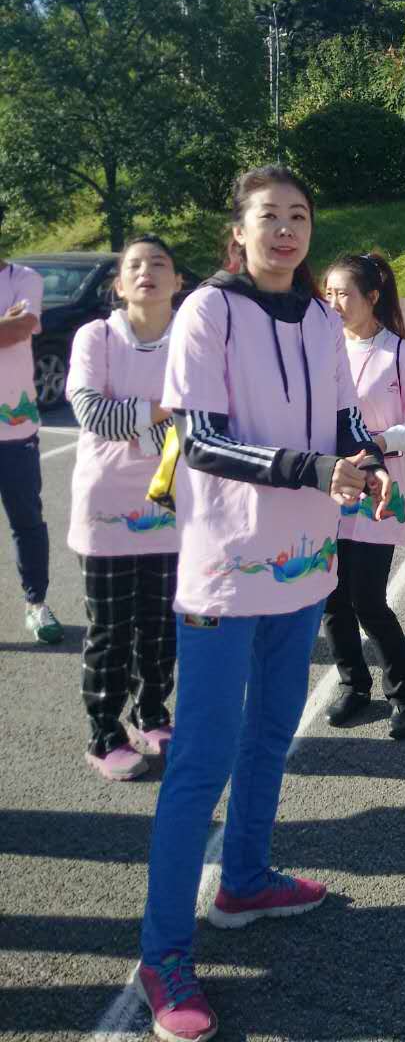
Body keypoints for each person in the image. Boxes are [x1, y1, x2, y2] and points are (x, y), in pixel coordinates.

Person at [134, 166, 391, 1042]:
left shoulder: (320, 315)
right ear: (239, 231)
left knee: (273, 732)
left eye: (299, 215)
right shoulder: (208, 311)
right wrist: (316, 471)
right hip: (225, 570)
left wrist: (370, 463)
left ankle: (243, 881)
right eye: (268, 216)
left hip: (304, 566)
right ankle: (164, 953)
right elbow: (200, 440)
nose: (285, 229)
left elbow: (346, 419)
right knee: (200, 763)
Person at [66, 234, 181, 781]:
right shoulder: (97, 337)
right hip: (106, 511)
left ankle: (151, 713)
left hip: (171, 508)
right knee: (110, 630)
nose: (146, 272)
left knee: (160, 628)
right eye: (134, 265)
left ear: (178, 281)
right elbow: (94, 414)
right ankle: (104, 734)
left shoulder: (191, 339)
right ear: (118, 284)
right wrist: (163, 412)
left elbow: (202, 417)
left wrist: (144, 422)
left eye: (158, 263)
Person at [322, 252, 405, 739]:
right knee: (332, 598)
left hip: (378, 490)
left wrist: (380, 441)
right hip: (328, 487)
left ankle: (403, 694)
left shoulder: (399, 355)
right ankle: (354, 684)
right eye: (328, 293)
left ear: (372, 297)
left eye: (343, 293)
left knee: (368, 600)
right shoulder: (321, 348)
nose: (333, 303)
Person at [0, 203, 59, 643]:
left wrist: (11, 323)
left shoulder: (24, 278)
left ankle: (36, 604)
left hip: (14, 428)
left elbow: (19, 330)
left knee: (27, 521)